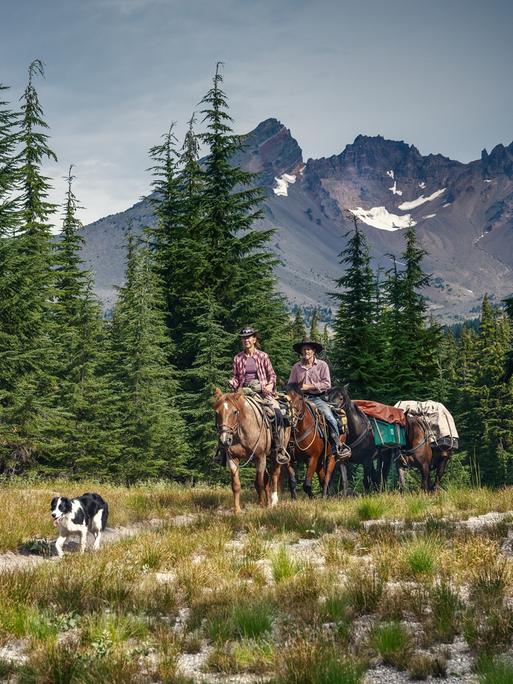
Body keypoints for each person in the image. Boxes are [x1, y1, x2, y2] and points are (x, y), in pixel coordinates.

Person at [228, 327, 288, 460]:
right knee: (226, 413)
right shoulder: (237, 358)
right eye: (244, 338)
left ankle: (279, 447)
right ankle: (222, 450)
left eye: (248, 337)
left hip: (262, 392)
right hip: (243, 392)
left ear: (254, 340)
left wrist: (270, 385)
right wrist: (232, 382)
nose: (246, 340)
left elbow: (272, 375)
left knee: (277, 413)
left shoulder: (263, 356)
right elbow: (236, 377)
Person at [288, 339, 350, 459]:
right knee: (286, 416)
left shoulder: (322, 365)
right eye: (304, 349)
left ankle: (337, 446)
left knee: (330, 417)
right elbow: (291, 384)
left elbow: (327, 384)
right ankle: (282, 446)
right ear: (301, 351)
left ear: (314, 351)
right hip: (299, 399)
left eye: (308, 349)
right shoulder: (296, 367)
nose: (306, 351)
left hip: (317, 398)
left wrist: (309, 386)